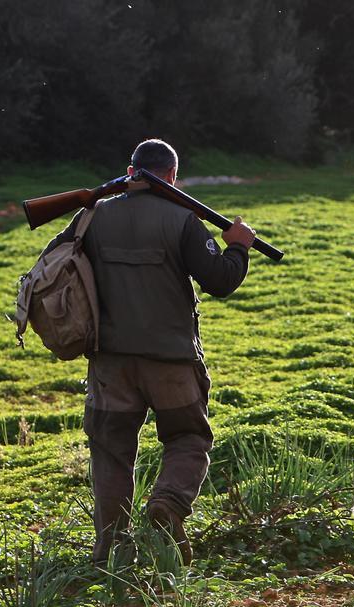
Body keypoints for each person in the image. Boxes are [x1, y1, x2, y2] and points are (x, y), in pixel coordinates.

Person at [41, 139, 256, 565]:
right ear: (173, 178)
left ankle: (109, 551)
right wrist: (238, 246)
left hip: (110, 361)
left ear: (130, 170)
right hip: (172, 361)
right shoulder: (183, 220)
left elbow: (53, 262)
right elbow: (221, 281)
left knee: (111, 451)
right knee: (188, 437)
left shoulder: (93, 216)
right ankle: (169, 503)